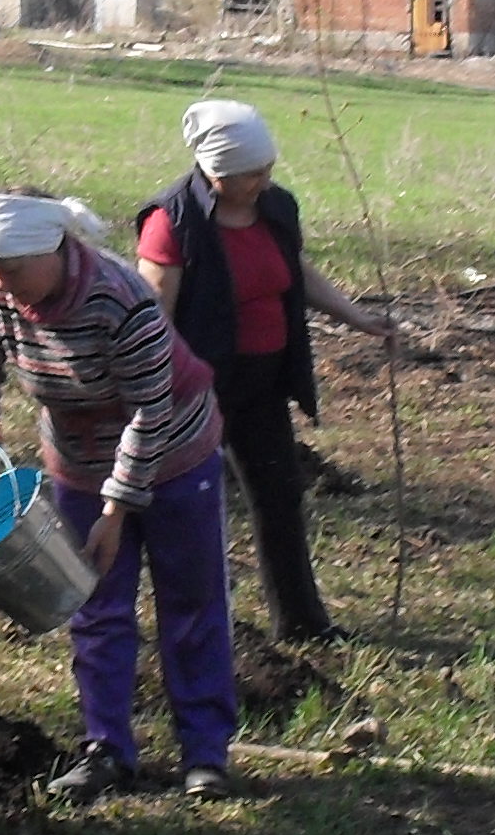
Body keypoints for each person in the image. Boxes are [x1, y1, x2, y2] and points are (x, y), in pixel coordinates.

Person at [0, 190, 235, 804]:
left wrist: (116, 510)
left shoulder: (121, 299)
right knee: (94, 603)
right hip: (78, 459)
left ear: (55, 249)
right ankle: (106, 747)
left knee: (190, 600)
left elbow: (150, 414)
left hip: (175, 454)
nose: (3, 283)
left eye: (13, 269)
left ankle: (205, 753)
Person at [134, 99, 398, 644]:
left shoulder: (277, 207)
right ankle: (195, 627)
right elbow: (155, 314)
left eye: (266, 169)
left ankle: (301, 623)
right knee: (192, 506)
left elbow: (294, 270)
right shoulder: (171, 222)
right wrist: (154, 391)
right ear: (214, 171)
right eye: (249, 173)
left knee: (280, 497)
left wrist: (356, 315)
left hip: (265, 381)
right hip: (198, 388)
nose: (261, 181)